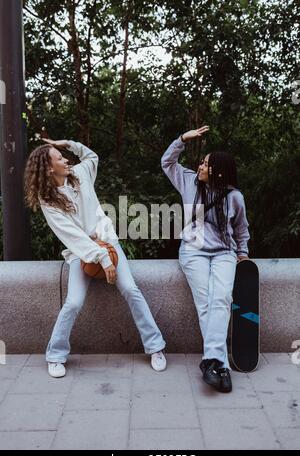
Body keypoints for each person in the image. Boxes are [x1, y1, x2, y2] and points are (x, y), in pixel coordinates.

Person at [24, 138, 166, 377]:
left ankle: (155, 348)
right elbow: (73, 237)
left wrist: (68, 143)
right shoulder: (48, 200)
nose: (66, 159)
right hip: (82, 253)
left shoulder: (79, 175)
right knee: (73, 302)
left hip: (108, 243)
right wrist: (102, 258)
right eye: (59, 157)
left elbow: (92, 157)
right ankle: (55, 356)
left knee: (131, 290)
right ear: (49, 168)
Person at [161, 126, 250, 392]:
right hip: (193, 252)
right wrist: (182, 139)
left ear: (219, 171)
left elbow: (241, 230)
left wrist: (243, 255)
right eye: (201, 162)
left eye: (206, 164)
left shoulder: (235, 197)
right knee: (205, 304)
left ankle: (212, 362)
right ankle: (219, 364)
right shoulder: (189, 182)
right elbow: (167, 162)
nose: (200, 166)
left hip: (224, 253)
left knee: (221, 298)